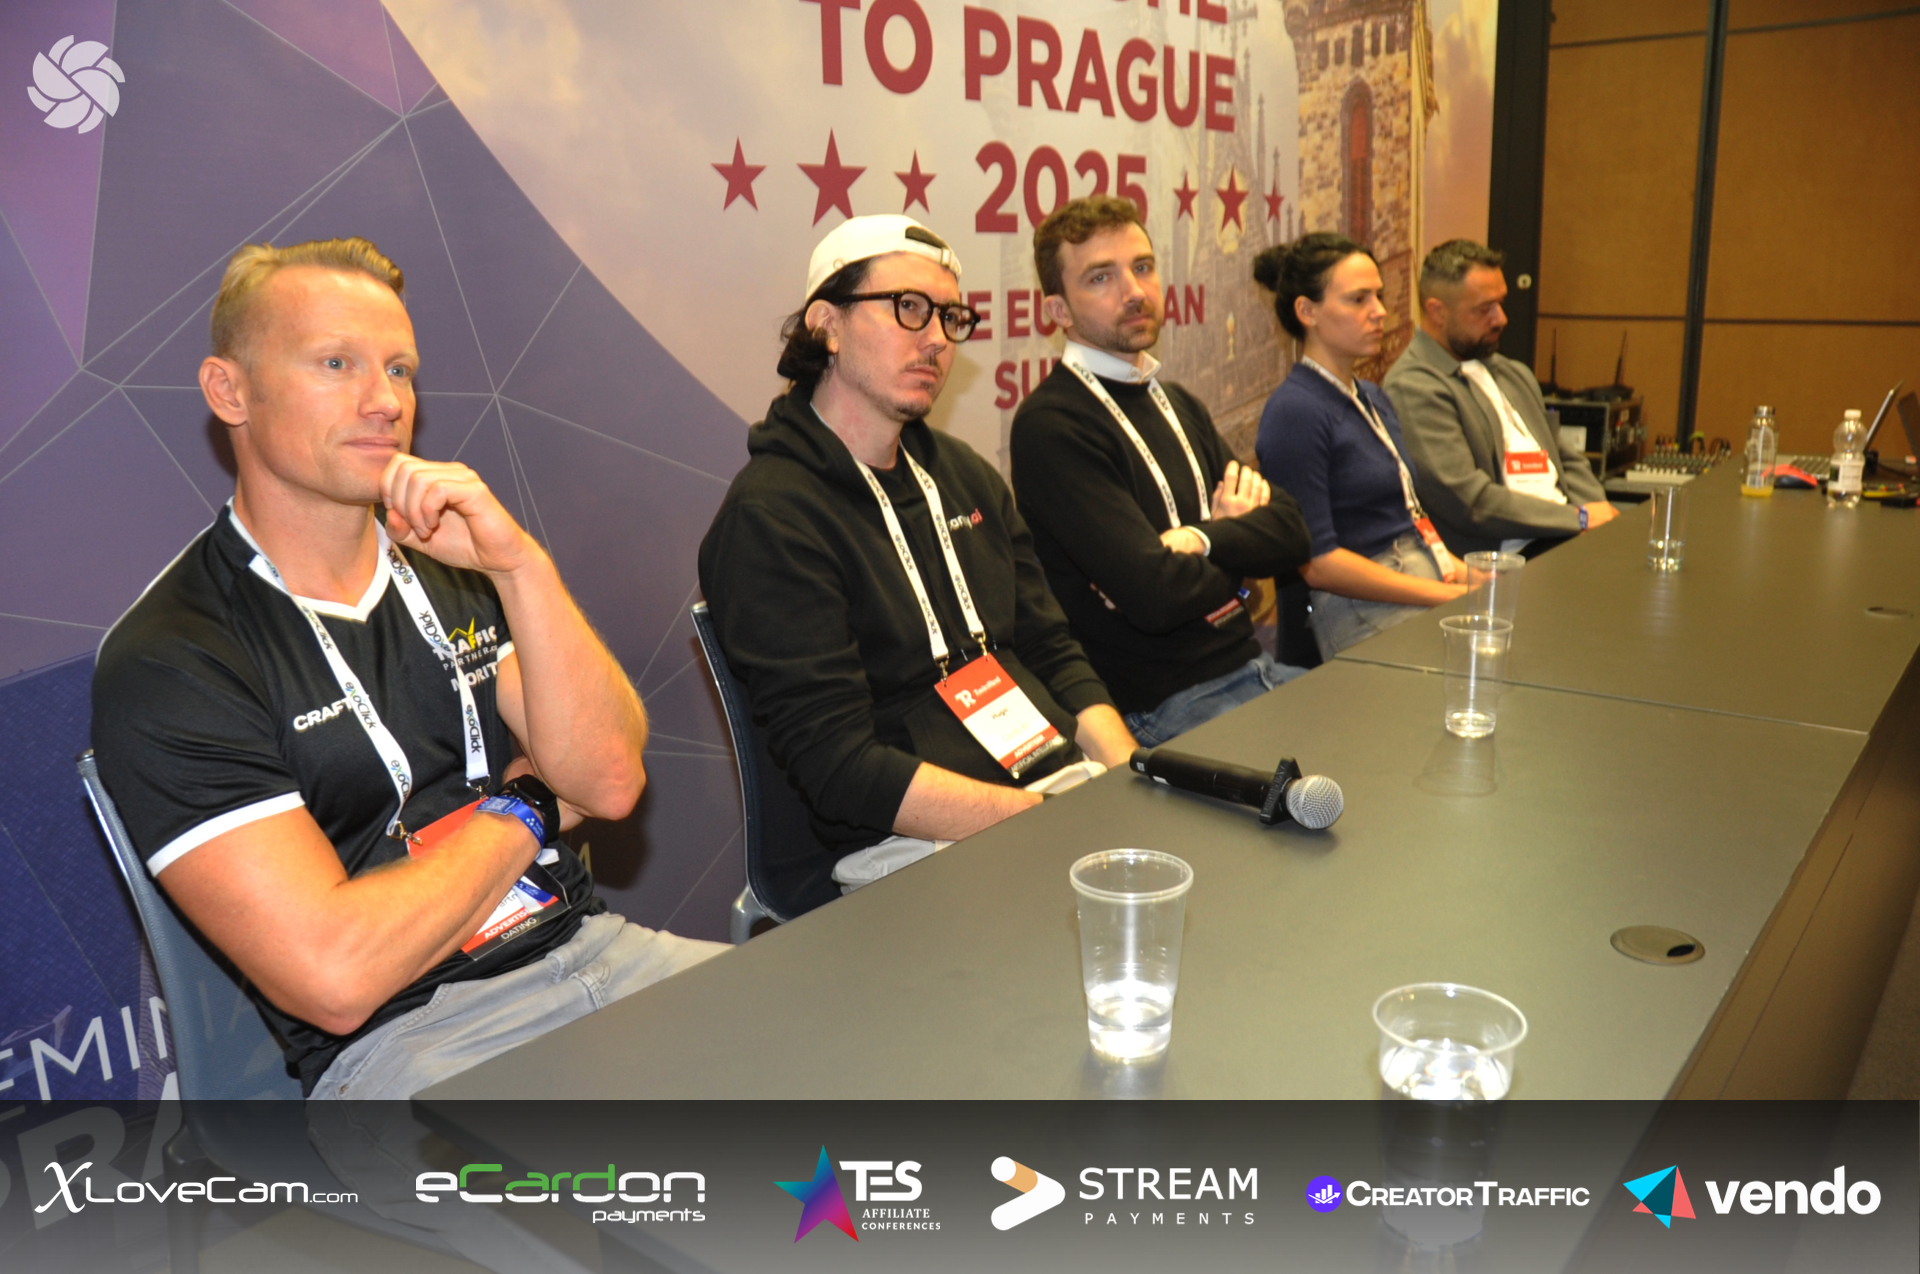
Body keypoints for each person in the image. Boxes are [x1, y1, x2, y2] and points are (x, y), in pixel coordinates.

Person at [91, 237, 724, 1104]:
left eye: (399, 369)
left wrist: (521, 568)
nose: (384, 400)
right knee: (705, 1183)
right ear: (229, 391)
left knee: (871, 1078)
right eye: (337, 363)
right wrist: (529, 804)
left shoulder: (451, 566)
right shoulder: (175, 653)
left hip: (599, 952)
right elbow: (337, 976)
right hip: (412, 1045)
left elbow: (608, 781)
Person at [698, 215, 1135, 910]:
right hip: (904, 847)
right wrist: (1048, 823)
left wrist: (1128, 777)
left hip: (1048, 792)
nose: (936, 338)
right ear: (827, 325)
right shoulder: (771, 518)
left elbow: (1052, 650)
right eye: (908, 308)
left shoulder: (963, 474)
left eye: (950, 317)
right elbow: (840, 767)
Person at [1008, 195, 1313, 747]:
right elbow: (1154, 597)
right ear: (1058, 311)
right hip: (1164, 706)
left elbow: (1293, 532)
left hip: (1255, 667)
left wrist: (1199, 540)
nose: (1134, 291)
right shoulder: (1052, 425)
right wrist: (1239, 546)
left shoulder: (1176, 401)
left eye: (1143, 267)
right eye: (1101, 277)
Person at [1253, 234, 1468, 660]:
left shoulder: (1370, 395)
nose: (1379, 311)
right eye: (1358, 299)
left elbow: (1407, 516)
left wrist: (1472, 576)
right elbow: (1319, 563)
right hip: (1357, 607)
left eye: (1379, 296)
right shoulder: (1295, 412)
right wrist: (1445, 596)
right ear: (1307, 312)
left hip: (1419, 573)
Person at [1383, 240, 1617, 555]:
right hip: (1505, 555)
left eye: (1501, 303)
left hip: (1564, 533)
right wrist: (1579, 518)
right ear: (1437, 311)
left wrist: (1597, 513)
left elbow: (1566, 460)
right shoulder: (1414, 387)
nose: (1501, 318)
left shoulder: (1511, 373)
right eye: (1484, 309)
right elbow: (1470, 501)